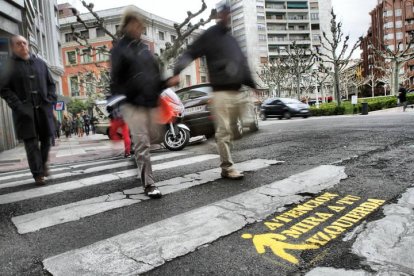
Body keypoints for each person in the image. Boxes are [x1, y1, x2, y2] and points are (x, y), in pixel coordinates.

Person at [168, 4, 257, 180]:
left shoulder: (232, 40)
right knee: (224, 132)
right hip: (221, 92)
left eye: (228, 13)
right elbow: (191, 52)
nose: (225, 16)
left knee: (239, 129)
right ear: (218, 16)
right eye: (222, 13)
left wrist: (252, 84)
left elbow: (242, 63)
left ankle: (221, 140)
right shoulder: (209, 35)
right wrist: (177, 71)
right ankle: (227, 167)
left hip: (238, 92)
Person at [110, 8, 165, 199]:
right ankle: (149, 184)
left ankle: (138, 160)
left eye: (140, 25)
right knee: (142, 143)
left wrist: (161, 89)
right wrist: (119, 102)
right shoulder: (119, 49)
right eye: (135, 24)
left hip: (149, 102)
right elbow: (115, 79)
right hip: (132, 103)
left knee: (153, 138)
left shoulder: (145, 49)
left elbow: (155, 74)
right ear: (126, 25)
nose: (139, 28)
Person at [0, 35, 57, 185]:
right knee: (31, 144)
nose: (23, 46)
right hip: (25, 113)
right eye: (18, 44)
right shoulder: (9, 66)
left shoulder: (40, 64)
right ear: (13, 47)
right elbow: (4, 89)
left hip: (43, 109)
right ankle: (38, 174)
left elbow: (51, 84)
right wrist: (18, 105)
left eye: (24, 43)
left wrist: (50, 100)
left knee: (46, 140)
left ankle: (43, 164)